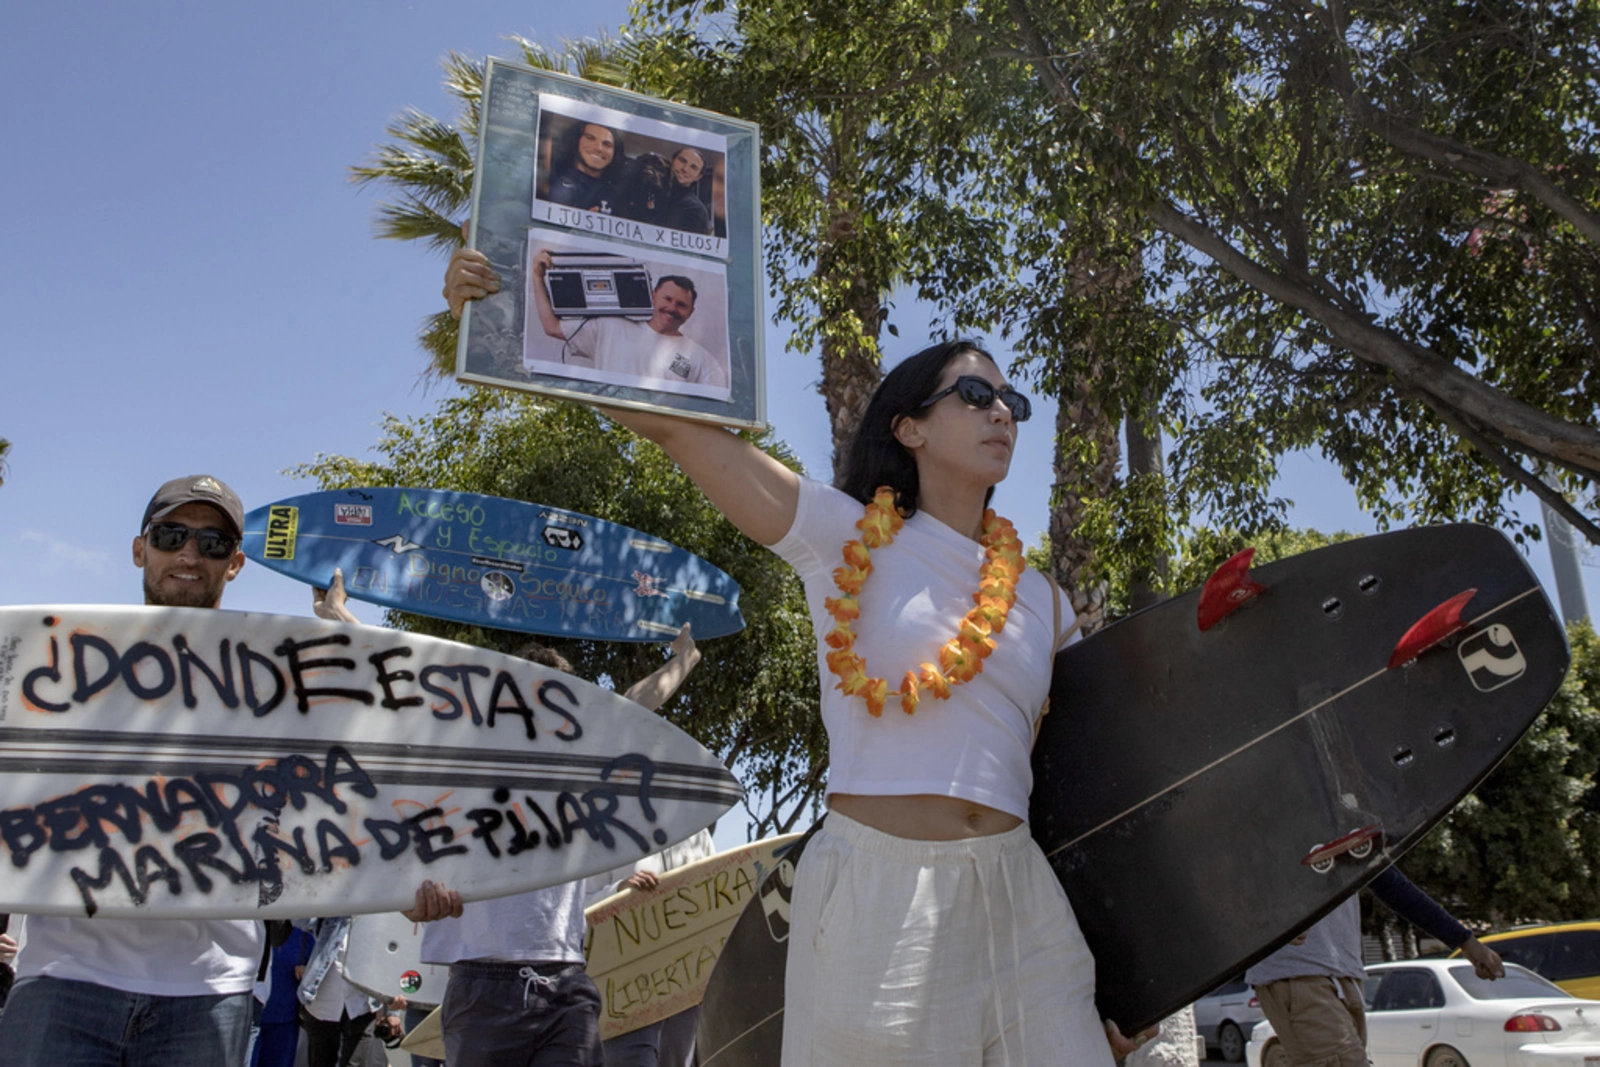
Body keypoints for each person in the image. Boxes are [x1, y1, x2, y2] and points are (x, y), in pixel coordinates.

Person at [455, 254, 1153, 1065]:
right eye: (974, 393)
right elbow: (679, 426)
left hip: (1026, 899)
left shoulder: (1047, 602)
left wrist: (1132, 978)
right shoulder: (843, 537)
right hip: (877, 898)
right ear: (909, 426)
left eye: (1012, 400)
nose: (1002, 410)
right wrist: (507, 316)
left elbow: (1090, 782)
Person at [0, 475, 262, 1065]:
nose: (190, 555)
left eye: (213, 543)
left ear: (236, 563)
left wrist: (414, 875)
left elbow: (356, 797)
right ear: (140, 548)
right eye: (172, 535)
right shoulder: (56, 665)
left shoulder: (277, 680)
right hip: (62, 979)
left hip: (208, 992)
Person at [1246, 866, 1505, 1067]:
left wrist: (1465, 941)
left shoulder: (1340, 809)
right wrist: (1270, 916)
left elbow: (1388, 880)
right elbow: (1234, 858)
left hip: (1344, 973)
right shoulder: (1275, 803)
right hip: (1297, 973)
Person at [589, 827, 716, 1067]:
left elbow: (714, 901)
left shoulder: (697, 831)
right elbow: (577, 905)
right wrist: (616, 892)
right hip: (626, 992)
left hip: (685, 989)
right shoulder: (606, 824)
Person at [527, 248, 729, 397]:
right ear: (653, 295)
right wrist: (537, 278)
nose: (672, 308)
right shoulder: (610, 325)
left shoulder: (702, 360)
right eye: (667, 299)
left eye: (681, 305)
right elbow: (551, 326)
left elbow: (715, 411)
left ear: (691, 312)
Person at [544, 121, 626, 215]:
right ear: (576, 141)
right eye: (590, 138)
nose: (598, 148)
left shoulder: (617, 197)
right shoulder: (552, 180)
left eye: (606, 144)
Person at [661, 148, 712, 235]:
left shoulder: (696, 210)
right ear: (672, 161)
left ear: (698, 176)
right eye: (682, 160)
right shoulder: (651, 191)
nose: (685, 169)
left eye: (693, 167)